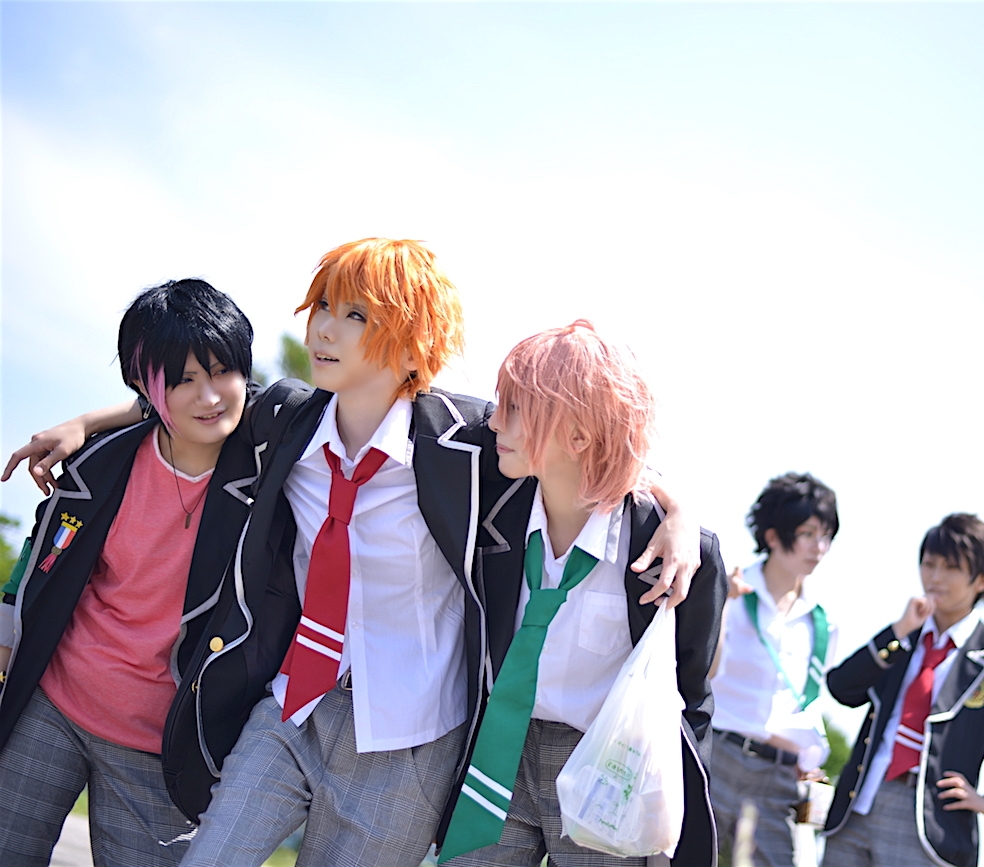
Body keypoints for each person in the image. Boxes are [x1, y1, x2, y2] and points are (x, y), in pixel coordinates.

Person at [154, 240, 699, 867]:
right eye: (324, 305)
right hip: (292, 704)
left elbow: (583, 445)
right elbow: (204, 406)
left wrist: (680, 512)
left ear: (413, 348)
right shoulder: (285, 417)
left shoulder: (465, 442)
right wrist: (90, 425)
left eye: (356, 316)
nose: (324, 328)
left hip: (408, 737)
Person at [0, 279, 300, 866]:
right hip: (52, 706)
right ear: (144, 386)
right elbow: (42, 551)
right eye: (183, 380)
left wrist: (90, 415)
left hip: (164, 746)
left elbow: (298, 400)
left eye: (222, 371)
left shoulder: (265, 473)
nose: (209, 396)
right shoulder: (101, 460)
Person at [438, 320, 726, 867]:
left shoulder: (664, 549)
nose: (495, 420)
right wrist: (680, 500)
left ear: (578, 437)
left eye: (516, 409)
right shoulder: (497, 489)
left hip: (605, 765)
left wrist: (676, 818)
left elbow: (691, 694)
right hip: (498, 750)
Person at [820, 513, 984, 867]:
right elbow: (842, 688)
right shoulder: (904, 637)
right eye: (929, 564)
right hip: (856, 808)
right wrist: (897, 631)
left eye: (951, 567)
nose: (935, 577)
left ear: (982, 579)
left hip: (931, 827)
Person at [705, 472, 839, 867]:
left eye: (826, 536)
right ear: (774, 536)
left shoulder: (823, 621)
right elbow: (704, 671)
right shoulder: (729, 586)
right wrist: (722, 602)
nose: (819, 547)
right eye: (808, 534)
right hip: (717, 754)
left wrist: (810, 755)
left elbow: (806, 697)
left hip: (777, 774)